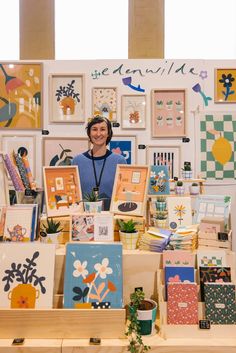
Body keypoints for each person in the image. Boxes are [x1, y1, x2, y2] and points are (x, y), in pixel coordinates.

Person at [72, 116, 127, 210]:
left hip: (111, 217)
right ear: (89, 133)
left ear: (108, 133)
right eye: (94, 129)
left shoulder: (120, 161)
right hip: (83, 218)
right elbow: (73, 195)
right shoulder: (77, 161)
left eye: (102, 129)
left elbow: (124, 193)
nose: (98, 134)